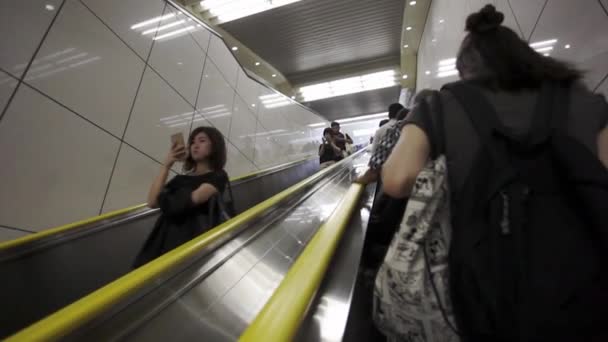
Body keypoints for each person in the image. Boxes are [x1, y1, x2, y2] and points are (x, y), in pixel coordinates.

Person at [381, 5, 608, 341]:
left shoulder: (442, 104)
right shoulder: (584, 100)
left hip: (487, 285)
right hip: (587, 277)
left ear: (463, 69)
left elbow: (396, 180)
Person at [134, 126, 230, 267]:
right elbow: (152, 202)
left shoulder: (218, 176)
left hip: (192, 242)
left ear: (215, 146)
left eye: (202, 141)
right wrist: (166, 165)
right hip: (163, 240)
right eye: (192, 142)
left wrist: (166, 197)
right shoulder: (180, 179)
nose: (194, 145)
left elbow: (192, 200)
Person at [354, 89, 433, 185]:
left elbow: (377, 160)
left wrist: (365, 176)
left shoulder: (401, 128)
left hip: (410, 186)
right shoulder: (445, 127)